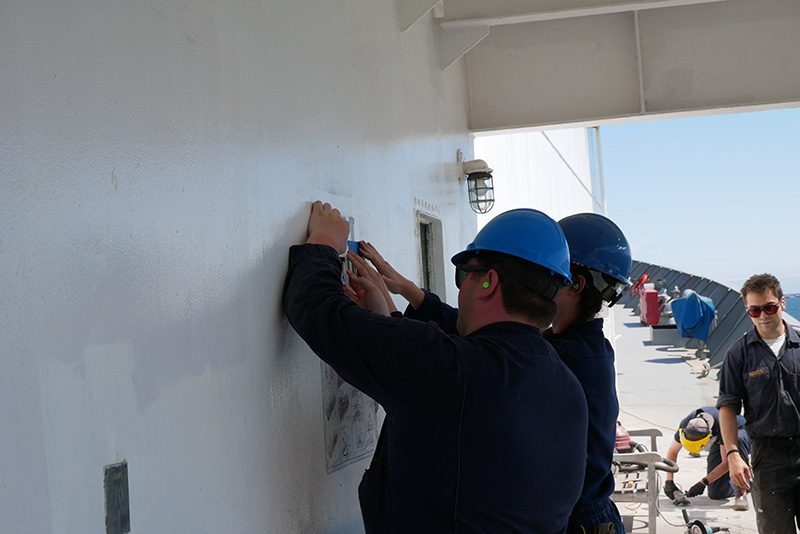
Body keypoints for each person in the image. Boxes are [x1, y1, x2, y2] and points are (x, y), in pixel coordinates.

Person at [283, 201, 589, 533]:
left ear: (488, 282)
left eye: (464, 275)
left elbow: (314, 306)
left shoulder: (448, 368)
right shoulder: (567, 385)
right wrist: (387, 322)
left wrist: (326, 241)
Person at [544, 213, 632, 534]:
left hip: (576, 521)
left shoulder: (567, 355)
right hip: (592, 515)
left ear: (575, 283)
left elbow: (495, 345)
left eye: (544, 275)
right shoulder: (589, 346)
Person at [717, 273, 800, 534]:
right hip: (767, 458)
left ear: (782, 304)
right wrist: (733, 455)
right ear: (748, 311)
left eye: (769, 307)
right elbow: (728, 407)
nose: (763, 315)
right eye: (754, 310)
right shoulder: (737, 354)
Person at [662, 407, 750, 511]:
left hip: (741, 432)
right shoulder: (685, 424)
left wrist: (702, 483)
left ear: (710, 433)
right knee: (716, 493)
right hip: (720, 439)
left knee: (738, 442)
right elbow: (673, 452)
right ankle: (748, 480)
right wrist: (669, 481)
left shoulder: (722, 425)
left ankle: (741, 491)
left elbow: (726, 463)